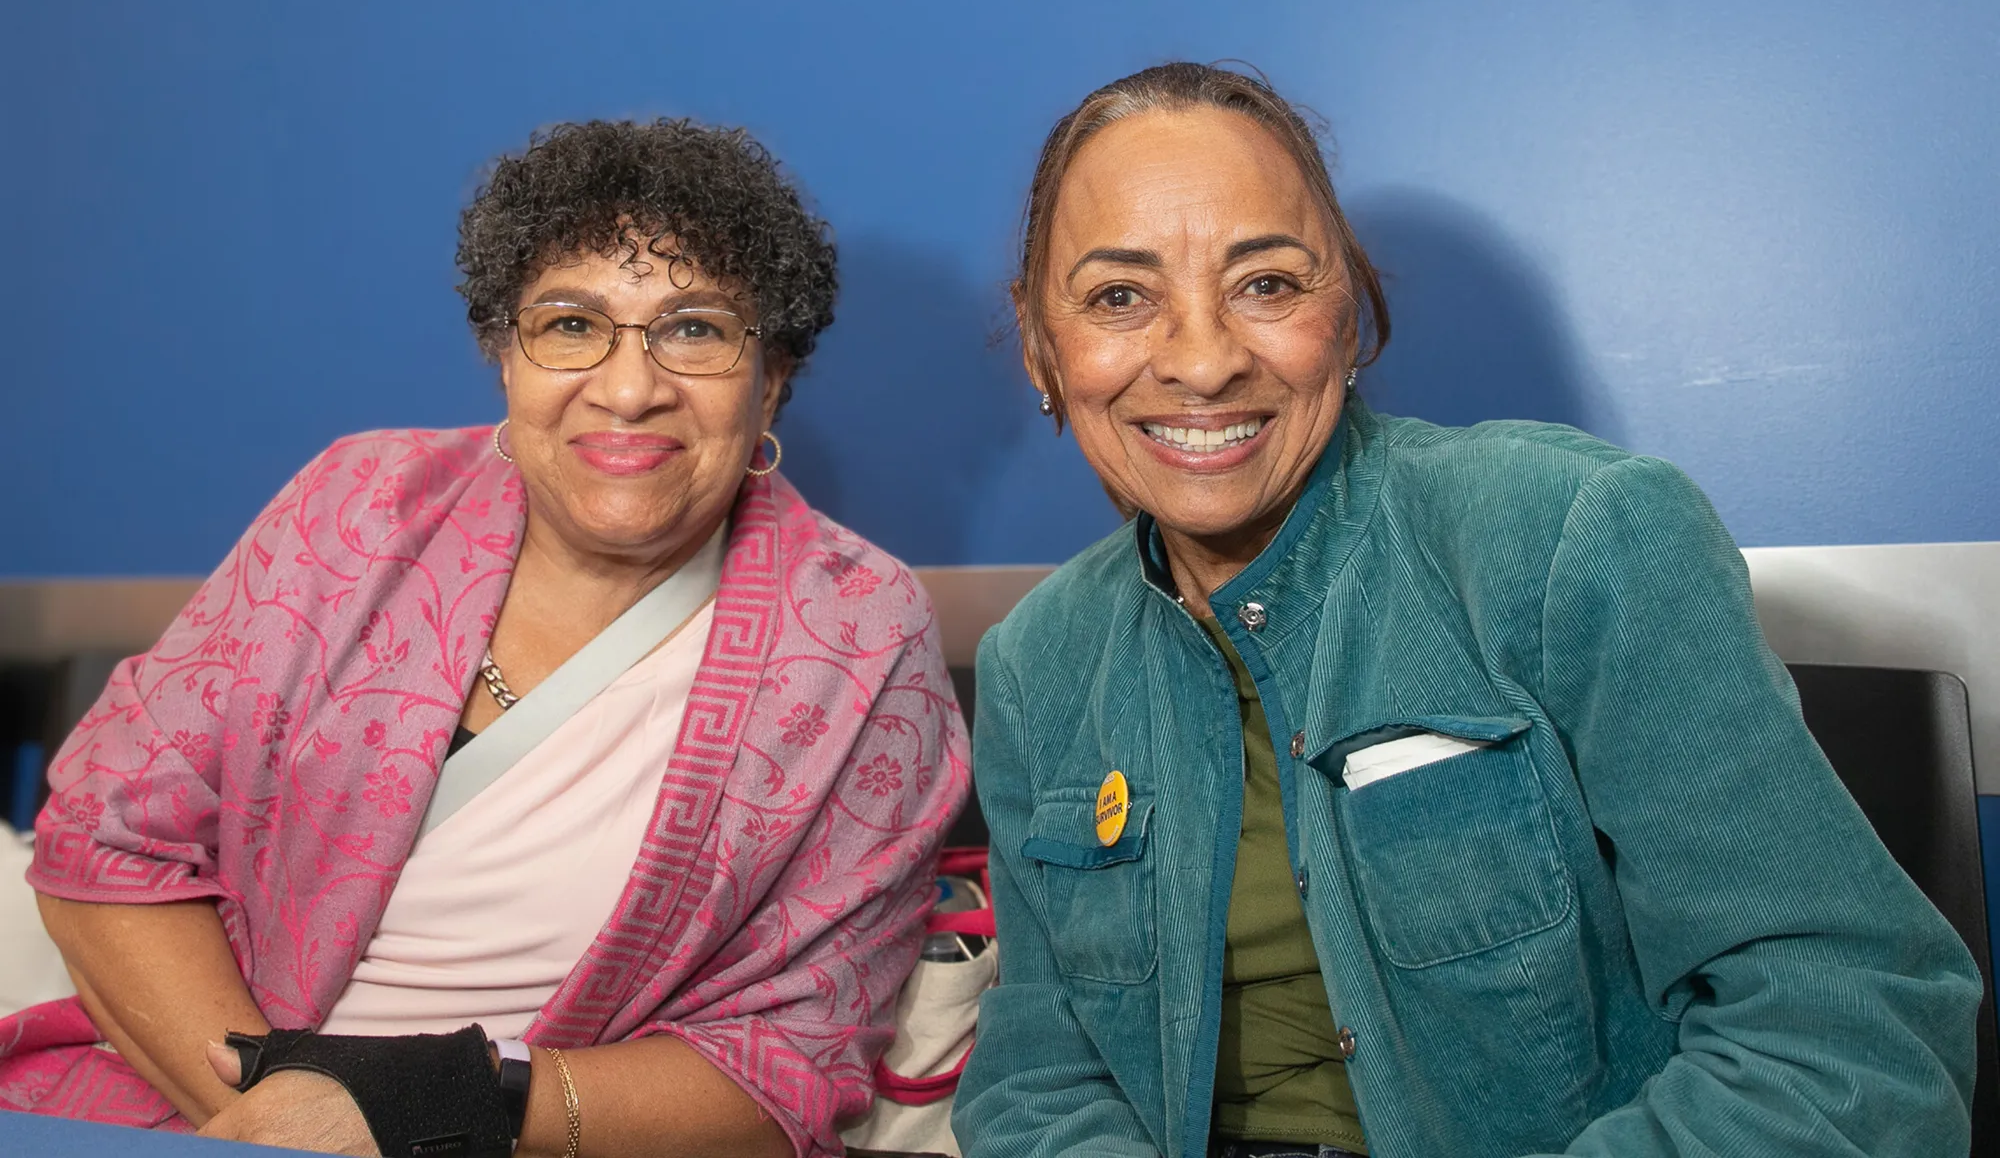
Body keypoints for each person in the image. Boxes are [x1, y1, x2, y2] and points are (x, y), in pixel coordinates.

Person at [952, 62, 1980, 1158]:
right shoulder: (1037, 663)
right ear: (1038, 348)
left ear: (1347, 315)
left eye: (1265, 284)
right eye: (1119, 296)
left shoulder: (1573, 539)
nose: (1201, 360)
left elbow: (1846, 1040)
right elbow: (1037, 1085)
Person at [0, 118, 968, 1158]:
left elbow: (787, 1063)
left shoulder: (857, 639)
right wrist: (265, 1122)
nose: (629, 387)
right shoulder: (357, 508)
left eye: (693, 329)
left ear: (771, 375)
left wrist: (441, 1106)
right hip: (191, 1100)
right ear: (502, 352)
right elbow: (109, 838)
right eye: (569, 324)